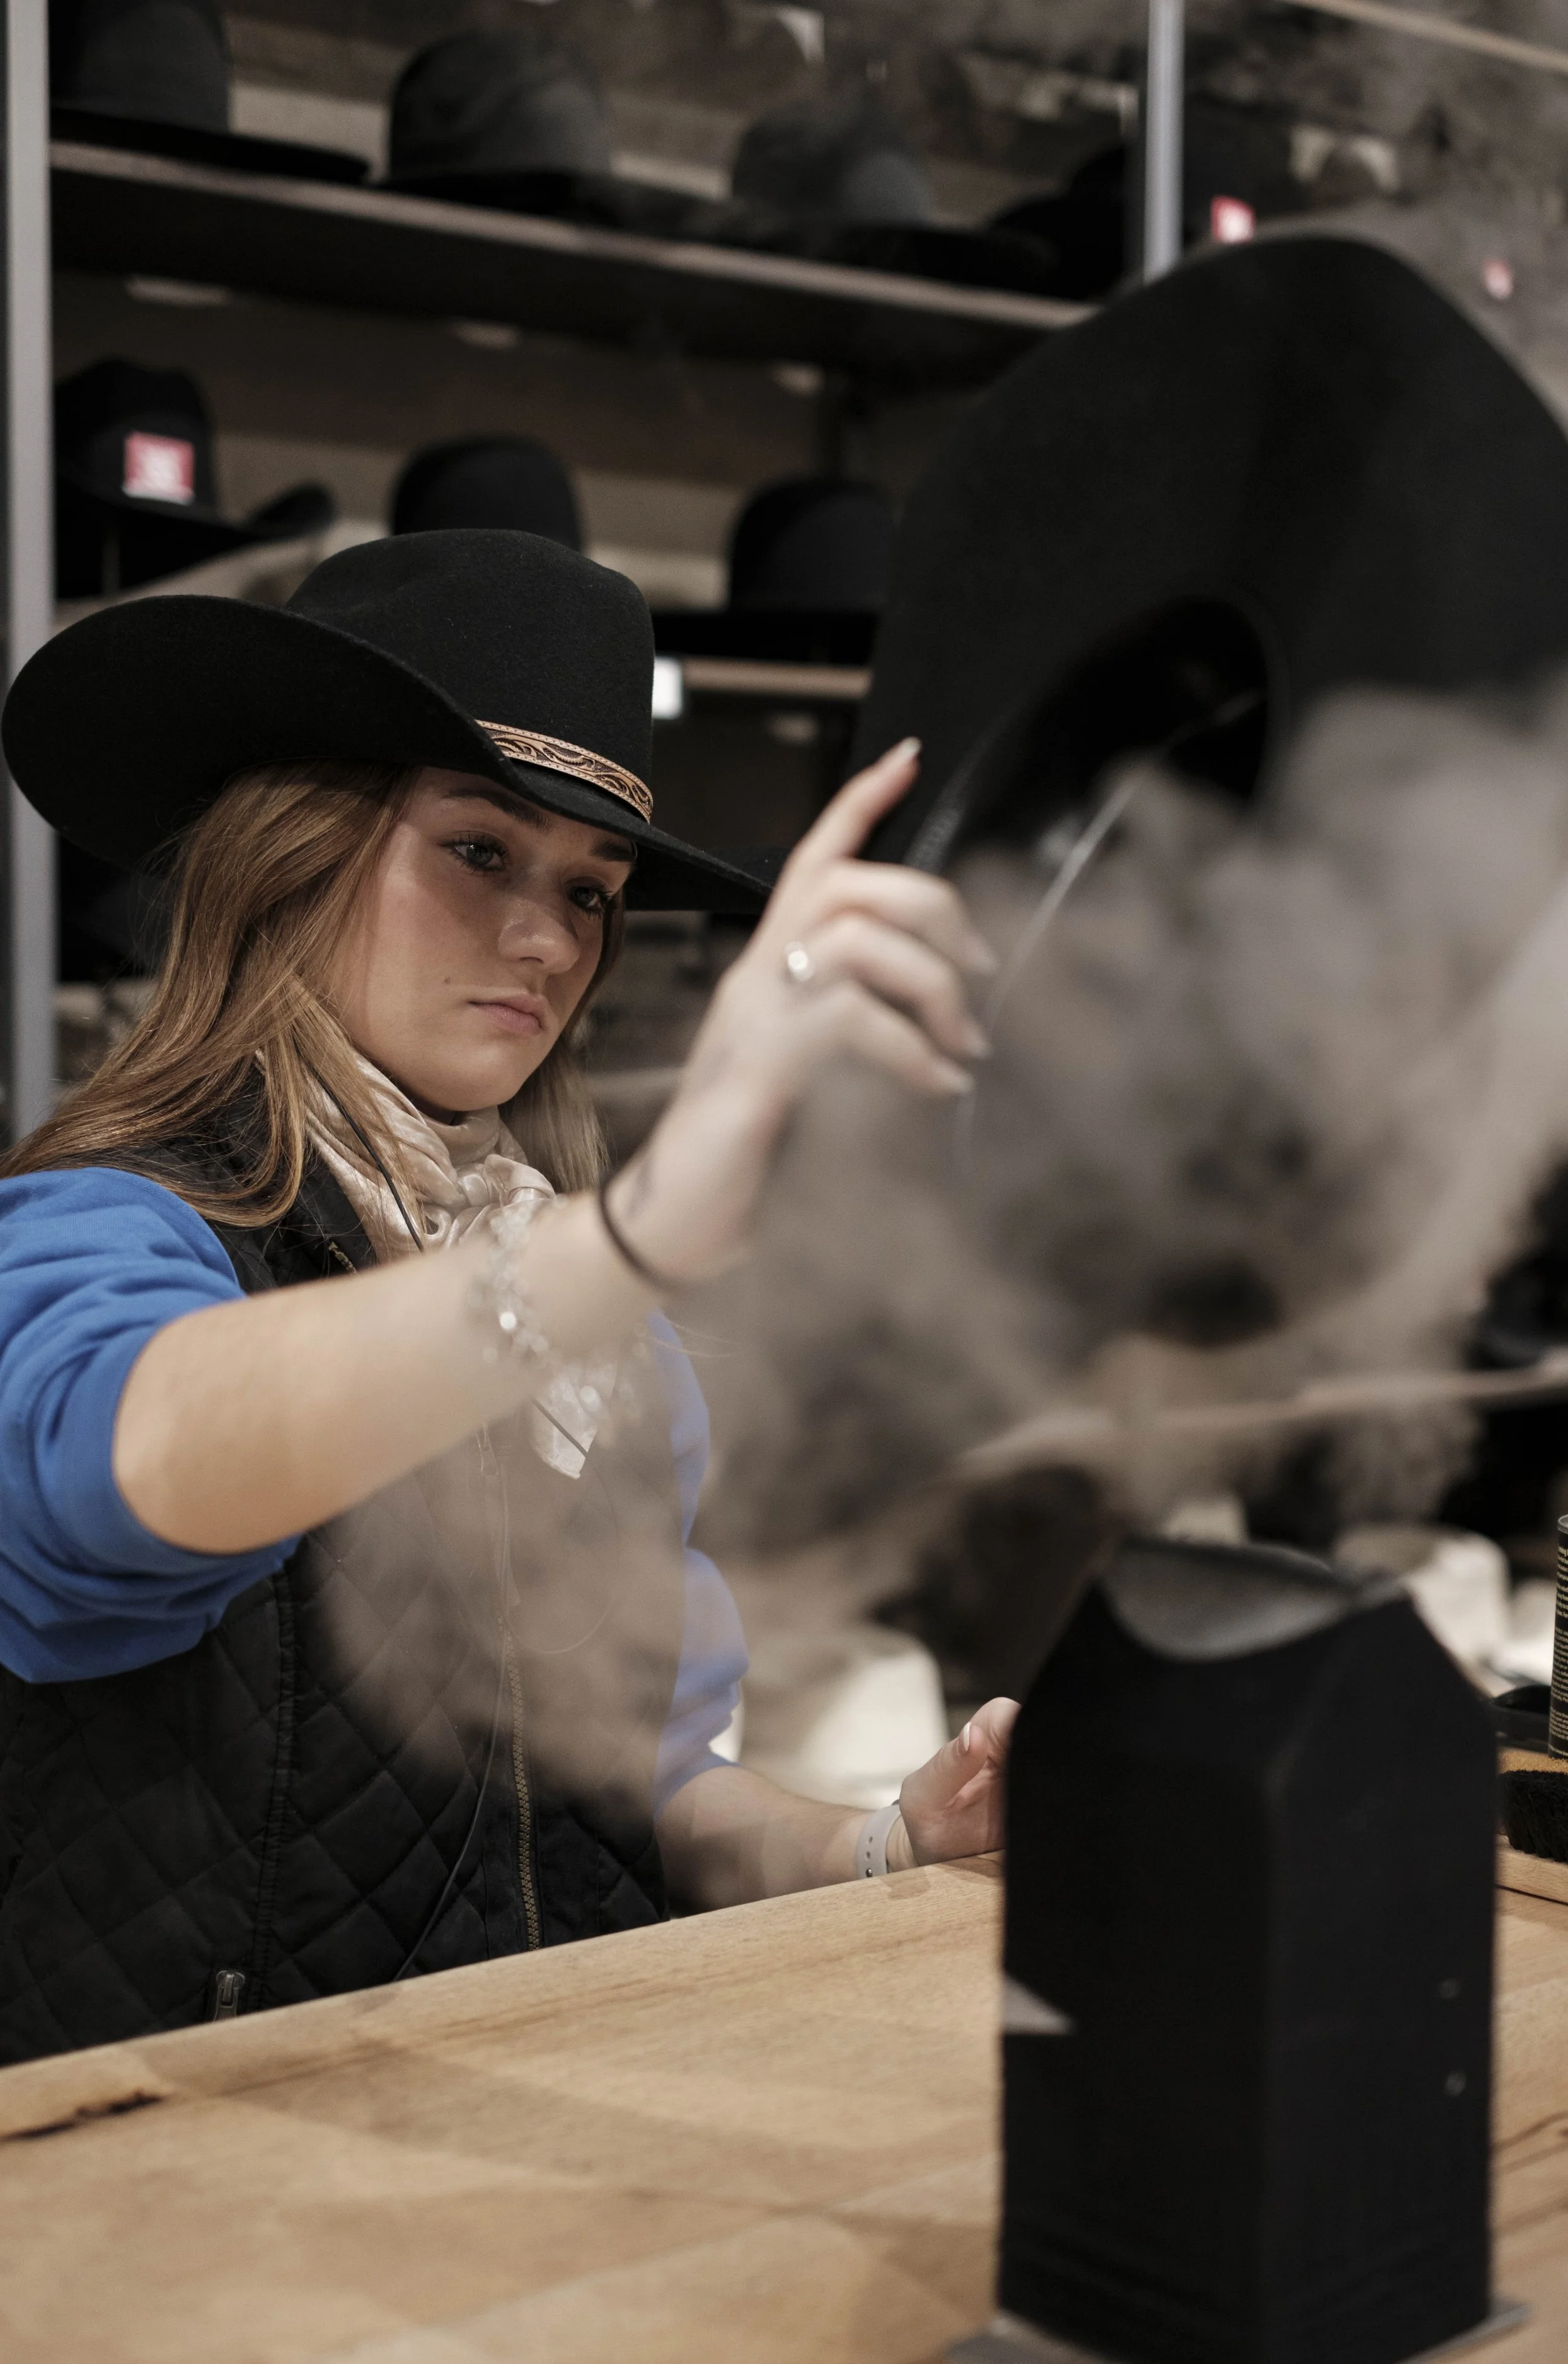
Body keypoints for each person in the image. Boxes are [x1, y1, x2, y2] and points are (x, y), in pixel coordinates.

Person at [0, 528, 1016, 2063]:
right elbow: (103, 1480)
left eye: (592, 893)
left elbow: (653, 1790)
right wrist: (632, 1241)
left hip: (516, 2181)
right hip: (170, 2212)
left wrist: (878, 1851)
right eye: (477, 851)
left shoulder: (611, 1346)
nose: (546, 943)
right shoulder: (108, 1223)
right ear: (295, 848)